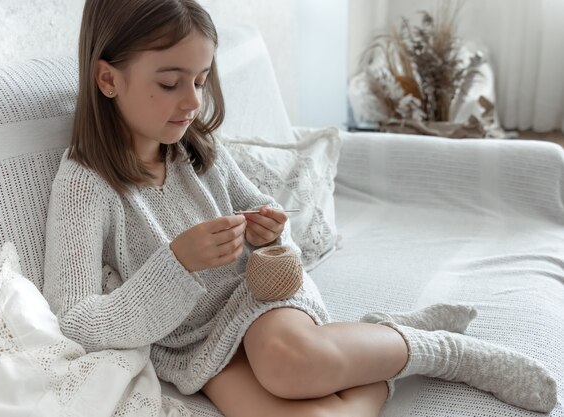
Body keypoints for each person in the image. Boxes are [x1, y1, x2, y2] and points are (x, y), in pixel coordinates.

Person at [43, 0, 557, 415]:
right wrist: (177, 264)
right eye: (170, 83)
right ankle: (386, 338)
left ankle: (446, 353)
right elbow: (73, 322)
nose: (194, 102)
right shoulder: (85, 184)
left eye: (200, 80)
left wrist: (270, 230)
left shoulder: (198, 151)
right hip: (191, 347)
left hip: (256, 300)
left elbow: (264, 214)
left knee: (289, 365)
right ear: (108, 79)